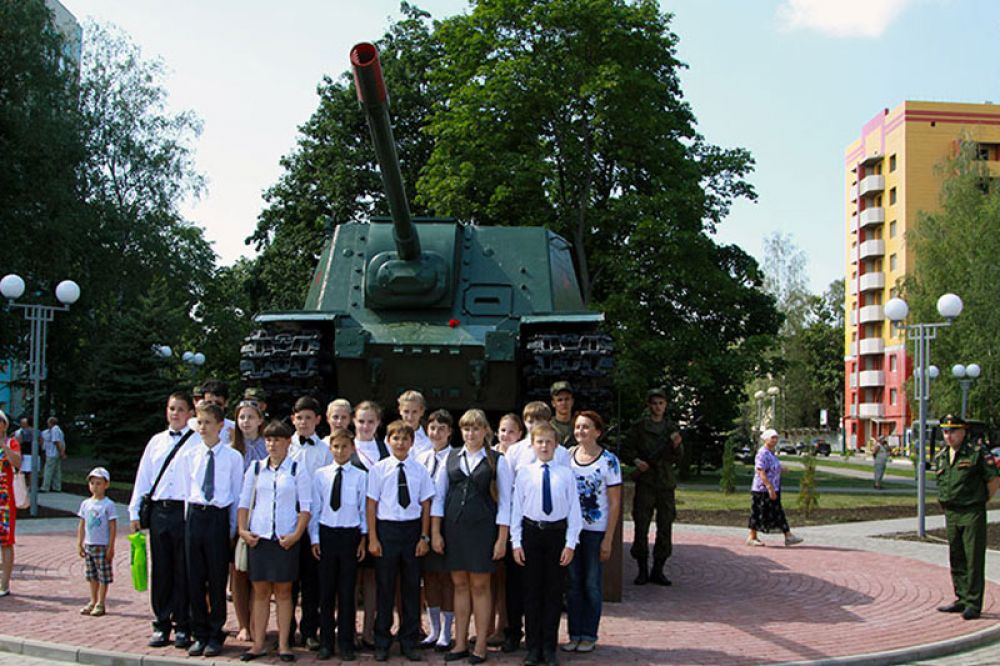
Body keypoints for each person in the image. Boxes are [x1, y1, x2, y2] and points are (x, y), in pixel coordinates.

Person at [431, 409, 512, 664]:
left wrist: (501, 539)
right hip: (454, 530)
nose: (471, 433)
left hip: (483, 530)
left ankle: (481, 644)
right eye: (466, 428)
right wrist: (435, 532)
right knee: (460, 585)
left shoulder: (498, 460)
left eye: (476, 428)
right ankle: (460, 642)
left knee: (480, 585)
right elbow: (439, 497)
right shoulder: (452, 457)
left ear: (485, 431)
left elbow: (506, 503)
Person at [127, 391, 200, 648]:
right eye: (172, 409)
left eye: (181, 409)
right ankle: (161, 624)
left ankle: (183, 624)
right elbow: (143, 478)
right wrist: (134, 511)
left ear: (191, 413)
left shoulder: (197, 443)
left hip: (184, 511)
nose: (176, 413)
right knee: (161, 569)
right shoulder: (156, 442)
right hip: (159, 511)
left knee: (183, 569)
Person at [238, 419, 312, 662]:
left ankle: (283, 645)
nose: (272, 444)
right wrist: (242, 530)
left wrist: (296, 535)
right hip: (260, 538)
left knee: (284, 591)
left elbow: (306, 507)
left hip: (285, 538)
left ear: (287, 442)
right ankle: (258, 644)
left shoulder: (296, 469)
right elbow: (244, 502)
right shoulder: (256, 468)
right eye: (268, 439)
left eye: (277, 439)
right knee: (259, 591)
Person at [511, 422, 582, 666]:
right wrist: (516, 542)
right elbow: (516, 510)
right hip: (531, 534)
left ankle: (549, 648)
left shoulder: (566, 474)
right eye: (539, 442)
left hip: (556, 536)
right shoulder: (525, 473)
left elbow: (574, 511)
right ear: (532, 445)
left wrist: (570, 543)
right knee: (531, 594)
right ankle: (532, 648)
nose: (544, 446)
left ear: (556, 445)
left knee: (553, 594)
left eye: (549, 442)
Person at [366, 420, 434, 662]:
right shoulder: (379, 469)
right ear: (388, 441)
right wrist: (373, 538)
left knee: (411, 589)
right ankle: (382, 640)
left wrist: (424, 537)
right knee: (385, 587)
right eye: (396, 438)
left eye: (405, 439)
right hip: (386, 531)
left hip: (412, 531)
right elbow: (371, 504)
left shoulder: (419, 470)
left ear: (412, 442)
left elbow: (426, 504)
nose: (401, 443)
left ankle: (409, 640)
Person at [181, 401, 244, 657]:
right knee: (195, 579)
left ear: (220, 425)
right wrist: (189, 521)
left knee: (217, 579)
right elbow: (187, 491)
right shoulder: (190, 455)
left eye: (208, 422)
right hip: (196, 516)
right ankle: (200, 632)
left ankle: (216, 632)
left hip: (218, 519)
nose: (203, 427)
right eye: (199, 422)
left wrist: (232, 529)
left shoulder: (232, 457)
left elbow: (237, 494)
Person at [563, 411, 621, 654]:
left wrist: (608, 538)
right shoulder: (566, 457)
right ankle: (574, 634)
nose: (580, 432)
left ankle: (589, 634)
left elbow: (615, 502)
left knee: (591, 584)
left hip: (595, 531)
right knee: (573, 584)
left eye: (586, 427)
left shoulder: (609, 461)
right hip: (571, 532)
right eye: (577, 427)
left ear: (598, 431)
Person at [934, 415, 1000, 621]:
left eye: (953, 431)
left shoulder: (977, 453)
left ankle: (973, 603)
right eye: (945, 431)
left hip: (971, 512)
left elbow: (993, 479)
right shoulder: (943, 456)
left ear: (964, 431)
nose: (949, 435)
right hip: (952, 512)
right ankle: (961, 598)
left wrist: (979, 501)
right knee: (957, 556)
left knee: (973, 559)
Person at [310, 428, 367, 661]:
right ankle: (326, 641)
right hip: (327, 534)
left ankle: (346, 642)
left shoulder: (360, 476)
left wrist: (363, 538)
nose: (340, 451)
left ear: (352, 448)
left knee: (346, 591)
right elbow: (315, 508)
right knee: (326, 592)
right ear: (330, 448)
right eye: (336, 446)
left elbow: (363, 509)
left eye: (345, 446)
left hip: (350, 535)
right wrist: (314, 538)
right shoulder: (321, 475)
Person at [621, 387, 683, 585]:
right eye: (654, 403)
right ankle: (642, 569)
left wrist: (676, 445)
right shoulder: (639, 427)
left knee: (665, 526)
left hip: (665, 482)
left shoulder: (671, 428)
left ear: (665, 405)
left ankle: (658, 569)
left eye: (661, 403)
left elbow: (679, 456)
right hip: (646, 482)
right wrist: (637, 461)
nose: (657, 407)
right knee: (641, 526)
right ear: (649, 406)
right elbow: (626, 449)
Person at [287, 396, 332, 650]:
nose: (303, 422)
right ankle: (288, 629)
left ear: (317, 419)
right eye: (299, 417)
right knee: (287, 582)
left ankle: (309, 630)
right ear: (293, 419)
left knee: (312, 581)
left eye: (308, 418)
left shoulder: (325, 451)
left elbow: (324, 490)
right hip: (288, 522)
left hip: (314, 524)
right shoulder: (285, 446)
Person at [418, 409, 456, 652]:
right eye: (432, 428)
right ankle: (433, 629)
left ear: (450, 432)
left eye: (442, 428)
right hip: (423, 524)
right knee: (429, 576)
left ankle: (447, 630)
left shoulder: (456, 458)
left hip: (447, 525)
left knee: (446, 578)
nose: (436, 433)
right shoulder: (421, 457)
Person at [231, 399, 269, 643]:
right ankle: (243, 624)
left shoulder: (268, 447)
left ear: (260, 420)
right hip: (236, 517)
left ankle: (257, 623)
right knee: (238, 572)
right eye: (241, 417)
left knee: (259, 575)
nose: (245, 422)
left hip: (262, 517)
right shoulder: (231, 448)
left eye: (250, 417)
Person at [352, 400, 389, 648]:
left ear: (378, 423)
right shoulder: (343, 447)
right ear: (354, 421)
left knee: (373, 579)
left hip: (378, 525)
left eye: (371, 421)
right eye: (361, 421)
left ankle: (369, 631)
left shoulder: (385, 450)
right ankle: (349, 630)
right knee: (350, 580)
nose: (366, 426)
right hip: (350, 523)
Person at [488, 413, 524, 649]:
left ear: (520, 434)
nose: (506, 435)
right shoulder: (490, 454)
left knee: (506, 580)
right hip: (489, 522)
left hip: (513, 524)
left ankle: (505, 626)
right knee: (488, 578)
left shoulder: (523, 456)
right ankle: (488, 627)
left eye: (511, 431)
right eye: (502, 430)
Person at [746, 429, 803, 548]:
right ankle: (752, 537)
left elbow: (772, 467)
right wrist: (769, 487)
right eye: (772, 437)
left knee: (778, 512)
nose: (775, 440)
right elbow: (761, 471)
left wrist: (782, 469)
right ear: (766, 439)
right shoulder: (762, 453)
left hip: (774, 487)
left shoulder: (771, 453)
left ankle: (788, 536)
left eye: (776, 437)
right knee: (758, 512)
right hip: (762, 490)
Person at [76, 467, 117, 617]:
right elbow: (82, 524)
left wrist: (111, 547)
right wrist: (80, 543)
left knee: (103, 575)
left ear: (106, 485)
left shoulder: (108, 505)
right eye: (92, 483)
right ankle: (92, 600)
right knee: (91, 575)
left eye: (99, 483)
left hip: (102, 545)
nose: (95, 486)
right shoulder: (86, 504)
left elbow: (112, 527)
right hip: (89, 544)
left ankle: (101, 602)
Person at [0, 410, 22, 597]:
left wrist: (4, 447)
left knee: (6, 542)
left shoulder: (11, 442)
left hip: (5, 501)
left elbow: (17, 463)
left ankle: (4, 583)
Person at [397, 390, 432, 458]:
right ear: (400, 410)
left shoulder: (430, 438)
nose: (410, 417)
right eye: (406, 411)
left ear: (422, 411)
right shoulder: (391, 437)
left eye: (414, 412)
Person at [40, 416, 66, 492]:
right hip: (56, 453)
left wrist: (61, 452)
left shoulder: (54, 430)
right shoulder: (58, 430)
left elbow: (56, 441)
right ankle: (57, 487)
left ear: (50, 423)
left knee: (48, 469)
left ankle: (45, 487)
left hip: (52, 453)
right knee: (57, 470)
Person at [549, 381, 575, 447]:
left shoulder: (579, 426)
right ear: (553, 403)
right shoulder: (547, 427)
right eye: (559, 400)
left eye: (567, 399)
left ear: (572, 401)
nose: (564, 403)